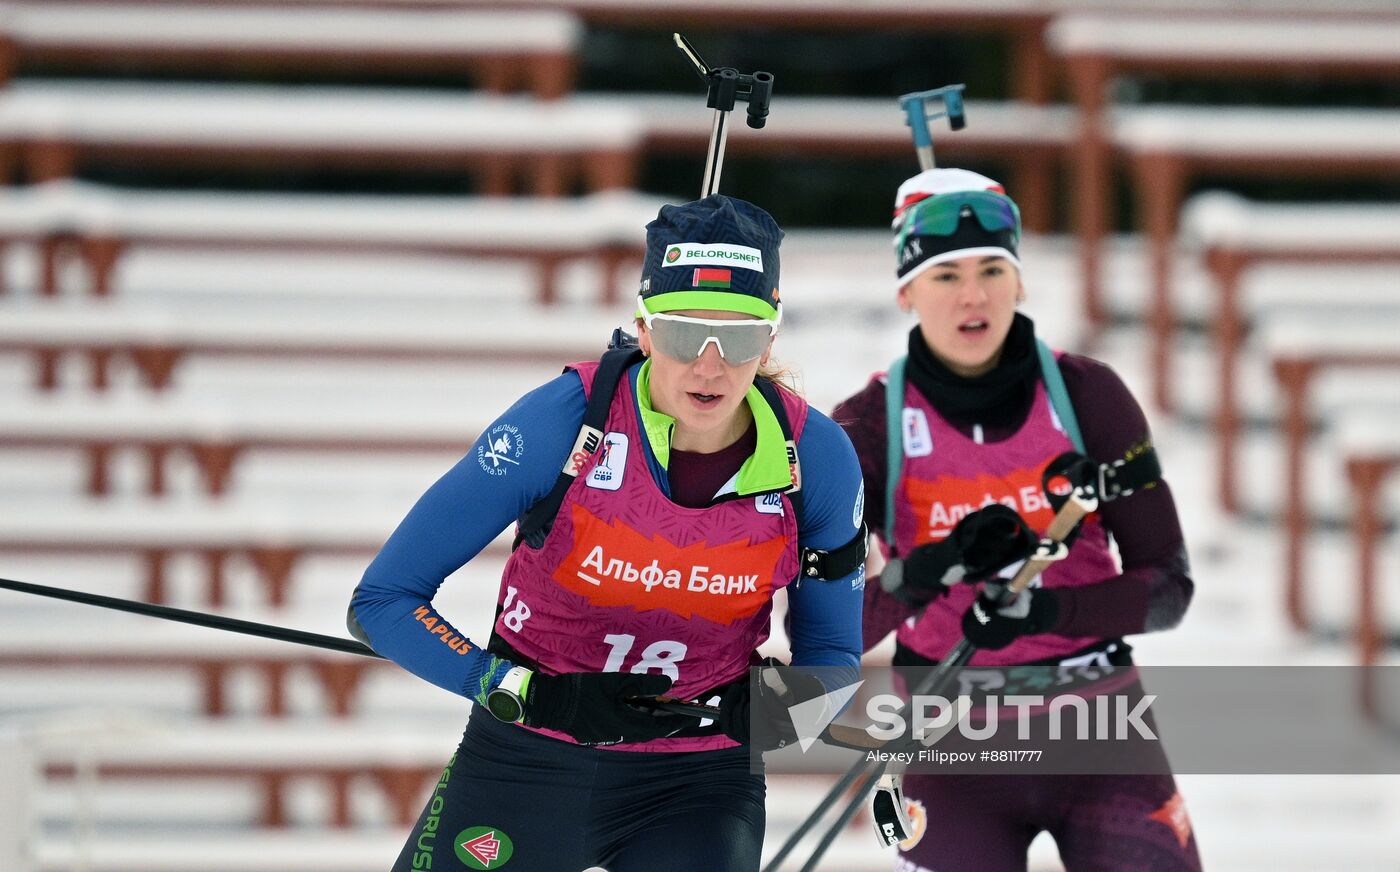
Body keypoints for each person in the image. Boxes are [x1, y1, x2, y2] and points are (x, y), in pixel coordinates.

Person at [348, 194, 867, 872]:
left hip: (696, 786)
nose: (709, 366)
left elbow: (833, 664)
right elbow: (383, 601)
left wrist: (761, 713)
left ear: (770, 341)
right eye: (683, 332)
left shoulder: (816, 459)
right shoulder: (562, 423)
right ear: (644, 330)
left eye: (739, 337)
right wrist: (528, 690)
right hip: (526, 761)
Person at [833, 168, 1203, 871]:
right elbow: (829, 632)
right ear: (906, 291)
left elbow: (1168, 589)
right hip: (949, 744)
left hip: (1100, 730)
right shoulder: (865, 430)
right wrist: (928, 570)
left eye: (992, 269)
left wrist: (1044, 612)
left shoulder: (1088, 395)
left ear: (1020, 281)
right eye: (945, 276)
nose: (973, 295)